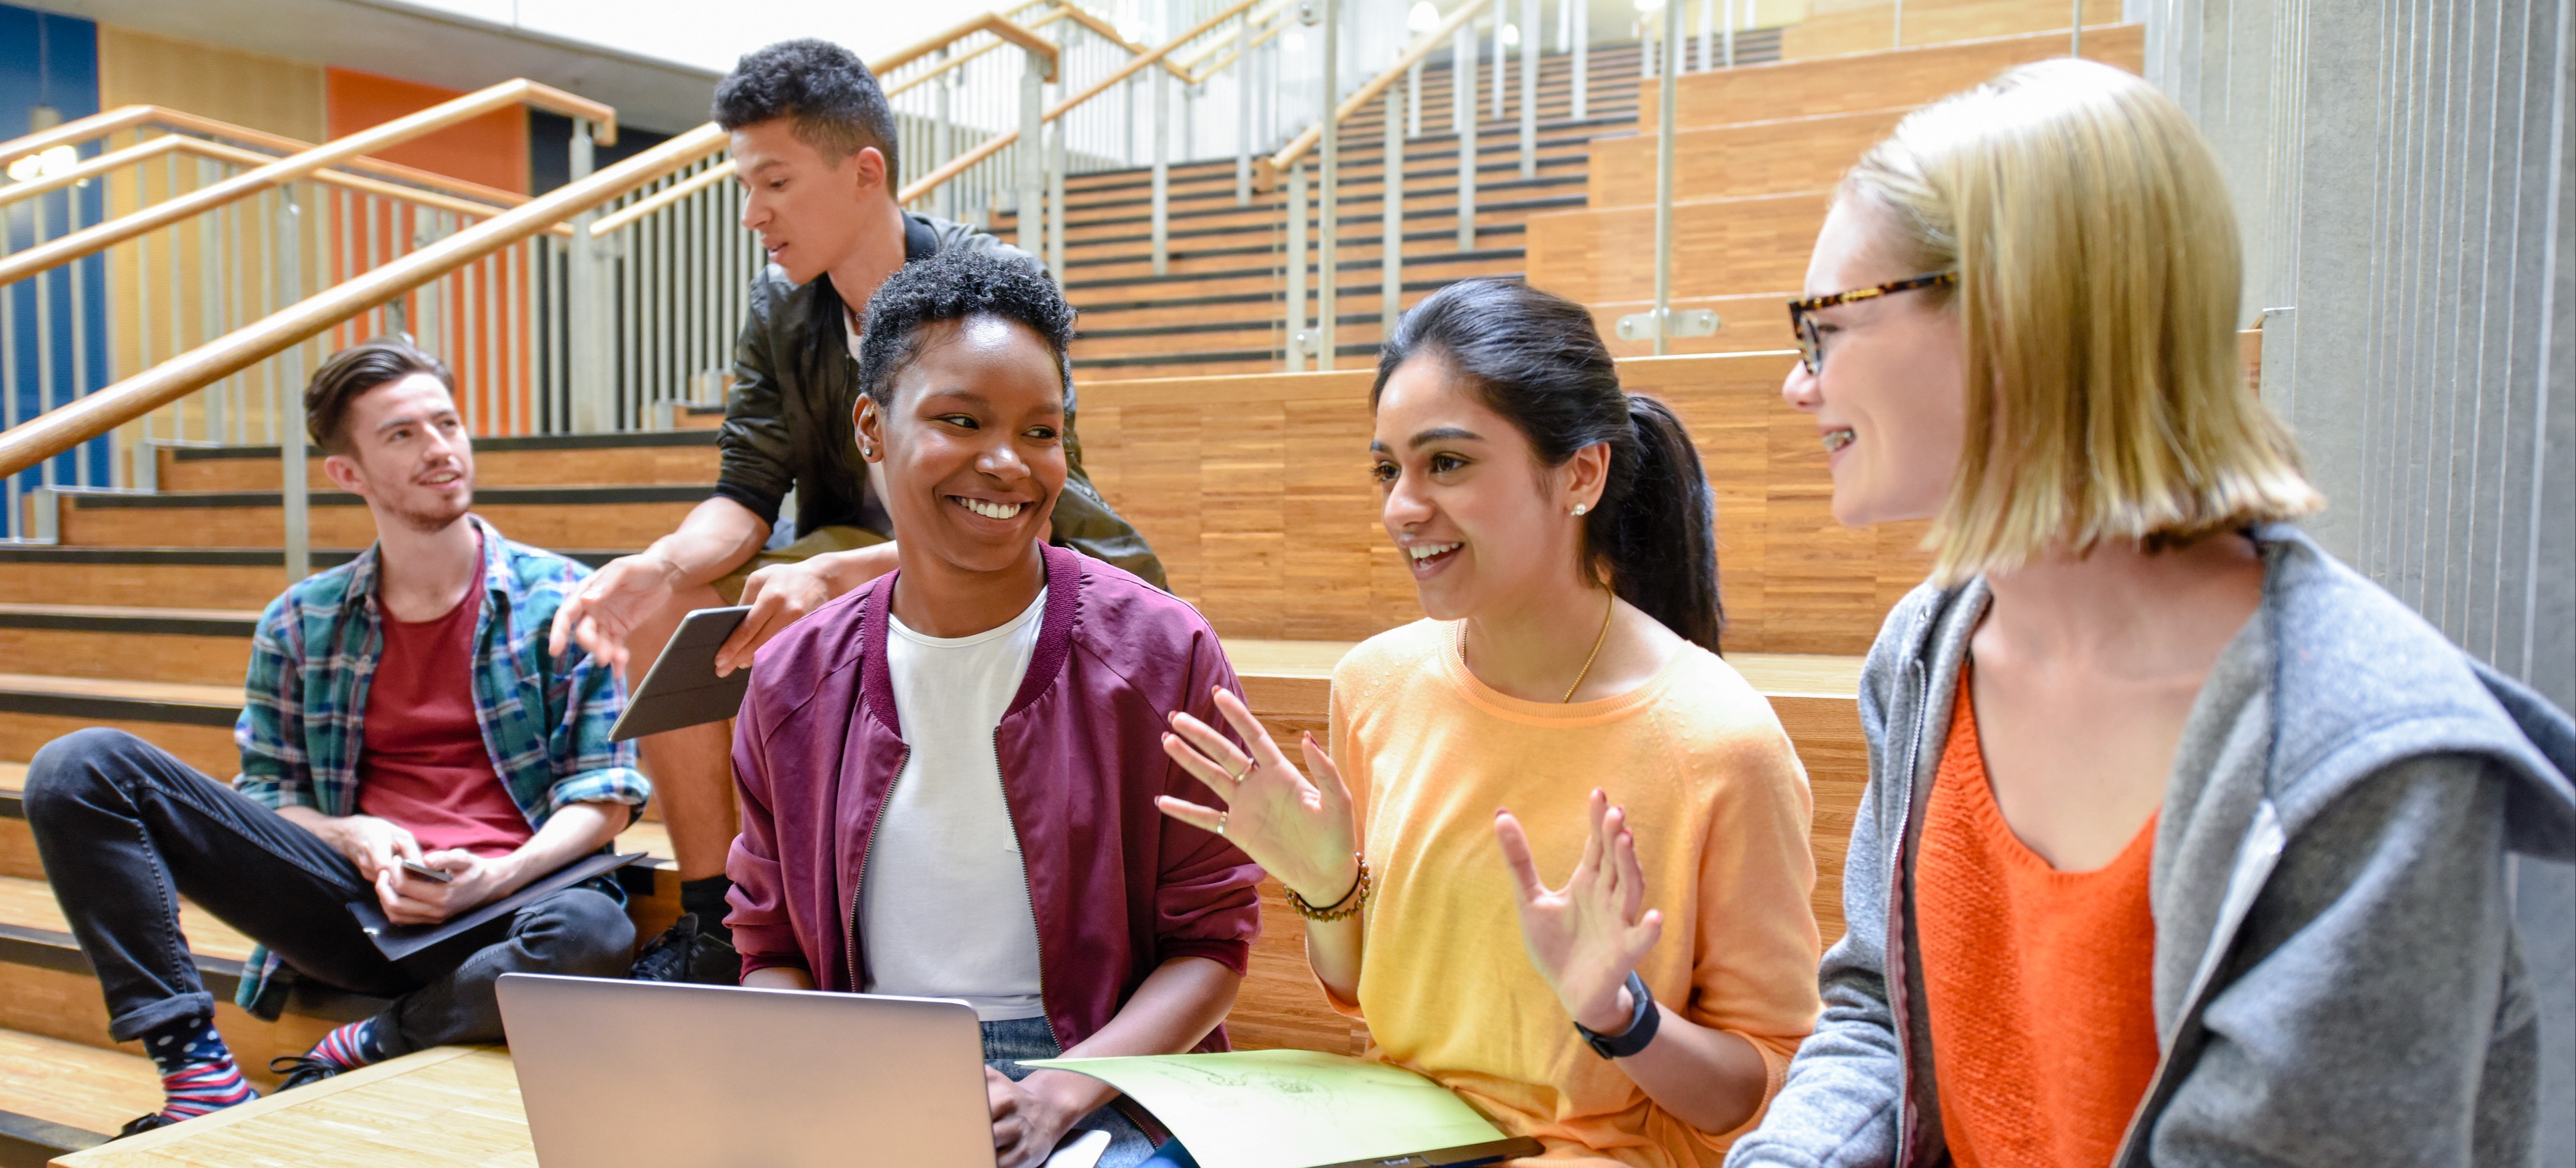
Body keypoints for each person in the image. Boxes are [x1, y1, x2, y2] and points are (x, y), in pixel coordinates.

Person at [1723, 59, 2575, 1167]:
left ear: (2016, 319)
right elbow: (1876, 1019)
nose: (1799, 383)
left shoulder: (2370, 767)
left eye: (1825, 325)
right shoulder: (1922, 656)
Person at [1157, 278, 1825, 1166]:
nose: (1401, 505)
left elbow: (1759, 1086)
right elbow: (1358, 992)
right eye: (1388, 468)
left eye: (1447, 463)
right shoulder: (1373, 683)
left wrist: (1619, 1016)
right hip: (1390, 1143)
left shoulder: (1718, 741)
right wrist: (1327, 890)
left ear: (1579, 473)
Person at [548, 39, 1162, 964]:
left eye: (775, 182)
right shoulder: (780, 304)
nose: (753, 213)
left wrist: (840, 568)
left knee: (834, 579)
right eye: (744, 186)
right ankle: (717, 917)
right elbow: (747, 488)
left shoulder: (984, 286)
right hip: (842, 548)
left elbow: (1037, 491)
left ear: (864, 170)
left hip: (1002, 546)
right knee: (670, 601)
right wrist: (662, 564)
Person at [21, 339, 647, 1136]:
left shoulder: (561, 597)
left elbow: (604, 792)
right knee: (77, 766)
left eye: (447, 423)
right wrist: (350, 833)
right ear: (347, 472)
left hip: (513, 904)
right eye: (401, 435)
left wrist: (492, 878)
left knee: (594, 931)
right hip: (354, 907)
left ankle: (371, 1039)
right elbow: (270, 794)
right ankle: (196, 1066)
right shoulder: (302, 618)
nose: (439, 449)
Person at [722, 247, 1260, 1168]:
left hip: (1104, 1074)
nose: (1007, 462)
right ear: (871, 426)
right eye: (959, 420)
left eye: (1041, 431)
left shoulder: (1163, 652)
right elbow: (769, 944)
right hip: (870, 1063)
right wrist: (849, 1073)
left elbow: (1211, 941)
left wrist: (1056, 1091)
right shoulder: (792, 678)